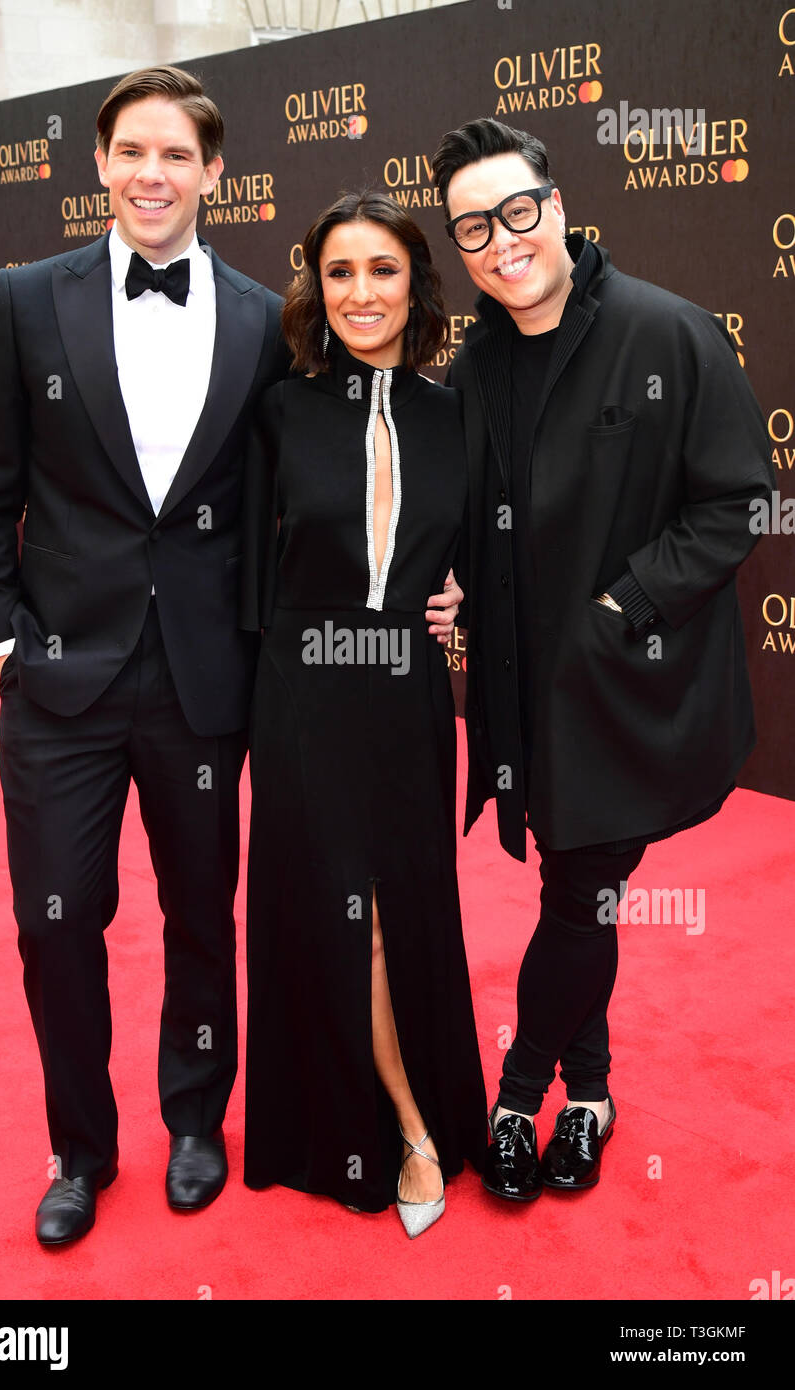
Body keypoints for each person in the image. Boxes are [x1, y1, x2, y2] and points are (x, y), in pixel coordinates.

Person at [0, 65, 293, 1245]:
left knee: (204, 912)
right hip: (59, 678)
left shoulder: (260, 316)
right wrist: (0, 636)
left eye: (177, 154)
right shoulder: (25, 299)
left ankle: (196, 1120)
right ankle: (78, 1147)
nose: (154, 173)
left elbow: (282, 498)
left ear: (212, 172)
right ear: (96, 163)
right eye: (131, 151)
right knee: (58, 920)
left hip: (202, 681)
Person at [429, 119, 773, 1201]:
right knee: (579, 891)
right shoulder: (473, 363)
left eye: (515, 210)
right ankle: (594, 1092)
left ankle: (520, 1095)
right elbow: (471, 514)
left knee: (579, 893)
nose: (499, 240)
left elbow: (736, 504)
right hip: (522, 697)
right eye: (472, 226)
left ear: (557, 203)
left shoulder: (664, 333)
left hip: (627, 686)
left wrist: (623, 604)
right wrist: (450, 591)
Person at [240, 192, 486, 1236]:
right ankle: (402, 1127)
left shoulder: (452, 414)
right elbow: (248, 571)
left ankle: (414, 1107)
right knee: (355, 915)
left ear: (415, 284)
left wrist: (462, 604)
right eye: (338, 272)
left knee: (410, 904)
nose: (359, 293)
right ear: (316, 287)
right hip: (304, 693)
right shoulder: (281, 410)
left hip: (410, 697)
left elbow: (481, 557)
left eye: (381, 270)